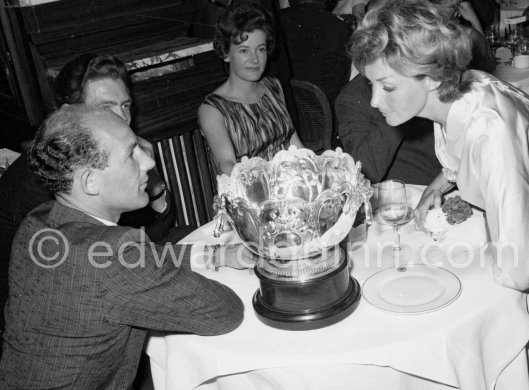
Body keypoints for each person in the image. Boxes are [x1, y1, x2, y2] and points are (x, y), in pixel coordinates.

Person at [0, 105, 246, 388]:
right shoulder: (116, 256)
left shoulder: (40, 221)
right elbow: (224, 312)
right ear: (90, 181)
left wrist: (218, 253)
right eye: (131, 154)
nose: (149, 163)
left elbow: (117, 259)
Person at [348, 0, 529, 291]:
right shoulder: (459, 89)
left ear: (430, 79)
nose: (375, 101)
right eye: (372, 85)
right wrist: (437, 186)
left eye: (387, 86)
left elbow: (515, 272)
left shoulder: (491, 131)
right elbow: (461, 153)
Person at [0, 54, 180, 334]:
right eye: (105, 108)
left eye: (125, 105)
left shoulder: (112, 159)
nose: (122, 120)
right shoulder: (49, 181)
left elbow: (151, 237)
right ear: (69, 115)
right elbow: (111, 266)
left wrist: (153, 185)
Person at [336, 0, 495, 185]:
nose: (375, 101)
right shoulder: (352, 98)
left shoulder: (431, 82)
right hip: (412, 195)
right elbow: (366, 171)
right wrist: (393, 103)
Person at [198, 1, 303, 175]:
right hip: (251, 194)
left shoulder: (273, 87)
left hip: (291, 186)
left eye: (261, 49)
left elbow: (294, 143)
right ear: (225, 53)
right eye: (244, 51)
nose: (255, 60)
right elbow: (228, 166)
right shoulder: (212, 109)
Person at [278, 0, 352, 104]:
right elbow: (342, 81)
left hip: (284, 103)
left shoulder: (277, 20)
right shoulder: (341, 28)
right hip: (322, 110)